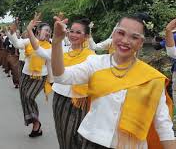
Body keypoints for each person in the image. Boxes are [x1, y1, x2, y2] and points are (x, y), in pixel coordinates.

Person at [51, 13, 176, 148]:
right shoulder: (95, 63)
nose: (125, 40)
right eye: (121, 33)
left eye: (134, 37)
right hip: (91, 142)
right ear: (114, 35)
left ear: (141, 43)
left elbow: (164, 127)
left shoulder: (151, 78)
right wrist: (57, 41)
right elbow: (60, 76)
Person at [28, 16, 96, 148]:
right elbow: (39, 50)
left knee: (77, 138)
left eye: (78, 32)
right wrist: (29, 30)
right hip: (60, 99)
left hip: (80, 102)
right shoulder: (61, 50)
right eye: (71, 31)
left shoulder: (92, 56)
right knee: (63, 136)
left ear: (86, 36)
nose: (73, 35)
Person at [6, 13, 53, 137]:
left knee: (28, 96)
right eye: (46, 30)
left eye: (50, 31)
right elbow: (16, 43)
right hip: (26, 75)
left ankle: (36, 123)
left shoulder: (50, 47)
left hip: (40, 77)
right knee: (24, 98)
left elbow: (47, 58)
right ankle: (36, 124)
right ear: (38, 31)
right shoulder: (28, 41)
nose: (48, 33)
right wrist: (12, 32)